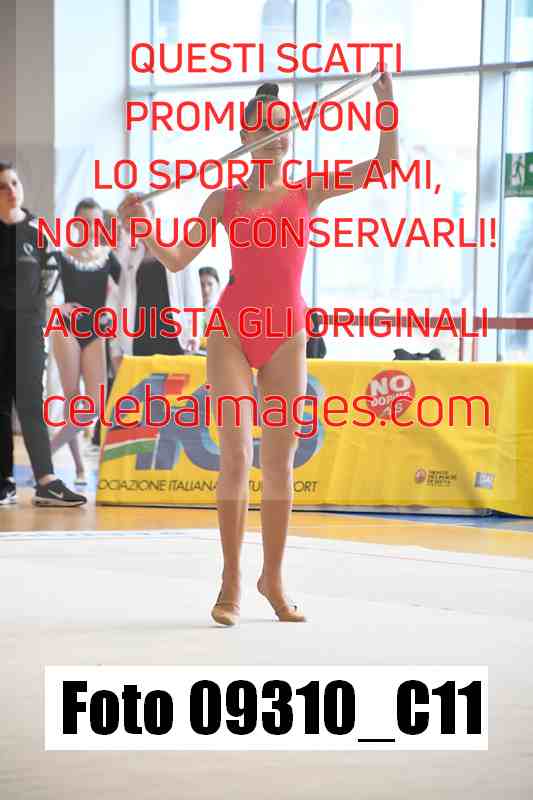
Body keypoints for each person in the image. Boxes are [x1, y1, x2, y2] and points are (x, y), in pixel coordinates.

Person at [119, 67, 397, 624]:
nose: (276, 138)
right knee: (236, 455)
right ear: (246, 136)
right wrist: (142, 225)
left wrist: (386, 104)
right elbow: (177, 260)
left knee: (279, 462)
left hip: (288, 333)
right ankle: (231, 581)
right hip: (231, 331)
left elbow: (384, 165)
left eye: (283, 128)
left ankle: (273, 577)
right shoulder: (222, 199)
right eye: (265, 129)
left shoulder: (308, 188)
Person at [0, 161, 86, 506]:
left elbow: (52, 280)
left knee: (31, 401)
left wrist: (37, 314)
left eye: (15, 183)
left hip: (29, 328)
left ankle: (46, 480)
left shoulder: (38, 231)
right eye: (3, 186)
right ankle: (4, 481)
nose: (11, 191)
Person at [48, 198, 121, 475]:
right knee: (72, 400)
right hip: (66, 328)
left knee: (94, 404)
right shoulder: (61, 256)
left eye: (96, 222)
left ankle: (46, 453)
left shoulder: (108, 257)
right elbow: (42, 291)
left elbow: (127, 291)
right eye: (85, 222)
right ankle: (78, 466)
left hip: (95, 331)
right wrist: (58, 308)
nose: (91, 227)